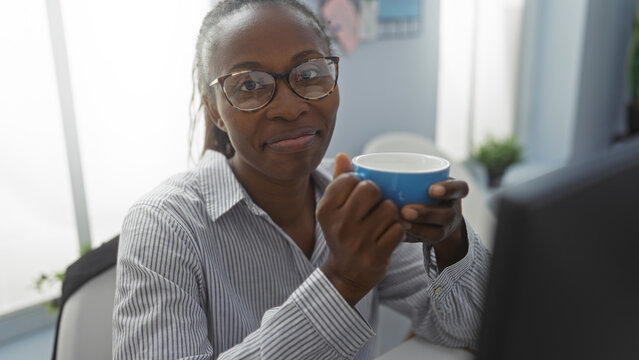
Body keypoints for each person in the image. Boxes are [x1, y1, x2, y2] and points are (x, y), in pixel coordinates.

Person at [112, 0, 491, 359]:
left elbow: (474, 329)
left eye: (309, 74)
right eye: (248, 85)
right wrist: (342, 282)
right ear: (214, 109)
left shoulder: (361, 197)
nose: (290, 107)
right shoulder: (163, 226)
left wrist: (452, 244)